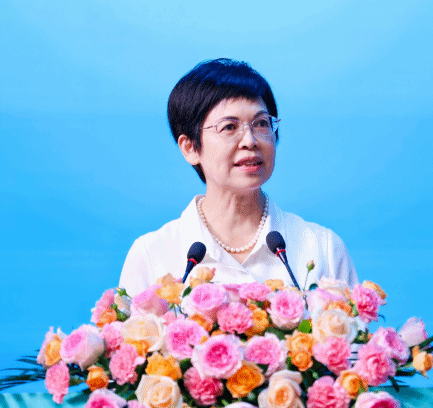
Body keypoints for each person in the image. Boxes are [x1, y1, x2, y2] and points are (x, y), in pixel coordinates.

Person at [119, 58, 357, 296]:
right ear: (190, 147)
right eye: (229, 127)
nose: (250, 141)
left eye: (261, 123)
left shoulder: (322, 249)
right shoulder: (152, 255)